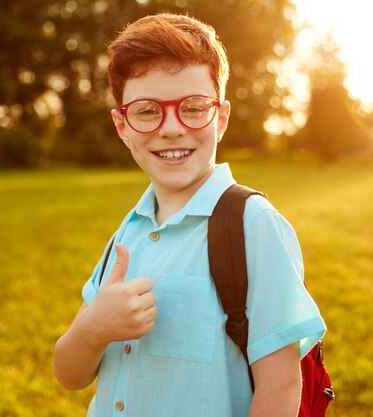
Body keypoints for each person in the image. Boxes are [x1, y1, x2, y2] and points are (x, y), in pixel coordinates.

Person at [53, 13, 326, 417]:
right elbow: (69, 374)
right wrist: (93, 329)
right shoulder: (128, 234)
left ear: (221, 118)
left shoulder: (252, 225)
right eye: (147, 111)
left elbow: (281, 384)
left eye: (193, 108)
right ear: (122, 126)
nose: (171, 128)